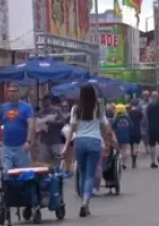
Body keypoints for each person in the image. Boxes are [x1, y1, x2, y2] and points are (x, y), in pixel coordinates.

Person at [63, 84, 117, 217]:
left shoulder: (76, 109)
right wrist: (111, 140)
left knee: (82, 173)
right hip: (94, 142)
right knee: (90, 174)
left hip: (80, 141)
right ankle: (85, 200)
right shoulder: (98, 108)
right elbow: (106, 126)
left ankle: (83, 199)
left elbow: (72, 128)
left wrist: (66, 145)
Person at [0, 83, 35, 169]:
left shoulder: (26, 107)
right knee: (6, 172)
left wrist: (28, 141)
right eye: (10, 91)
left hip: (22, 146)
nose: (12, 93)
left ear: (19, 93)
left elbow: (31, 125)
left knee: (23, 172)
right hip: (7, 147)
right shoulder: (3, 107)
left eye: (14, 91)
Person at [36, 96, 66, 165]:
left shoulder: (57, 110)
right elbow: (37, 127)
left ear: (49, 101)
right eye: (42, 101)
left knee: (56, 162)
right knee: (43, 162)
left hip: (55, 140)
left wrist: (54, 122)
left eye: (44, 101)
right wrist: (36, 139)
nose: (43, 102)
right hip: (43, 141)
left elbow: (63, 121)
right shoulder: (40, 112)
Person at [145, 91, 159, 168]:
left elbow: (146, 116)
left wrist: (147, 127)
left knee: (152, 145)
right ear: (158, 97)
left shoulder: (148, 106)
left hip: (151, 127)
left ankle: (153, 162)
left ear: (151, 97)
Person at [111, 104, 132, 169]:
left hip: (118, 136)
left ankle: (118, 163)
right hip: (126, 135)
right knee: (124, 150)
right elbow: (131, 126)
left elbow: (112, 127)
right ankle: (124, 163)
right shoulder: (127, 117)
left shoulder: (116, 118)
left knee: (118, 150)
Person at [128, 100, 144, 168]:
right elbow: (142, 118)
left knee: (131, 146)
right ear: (137, 104)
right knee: (136, 146)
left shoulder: (129, 112)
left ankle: (132, 160)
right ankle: (134, 161)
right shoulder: (139, 112)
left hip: (130, 131)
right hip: (137, 130)